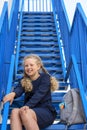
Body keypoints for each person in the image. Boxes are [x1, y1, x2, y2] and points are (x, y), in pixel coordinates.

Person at [3, 54, 58, 130]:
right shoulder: (24, 79)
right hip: (28, 112)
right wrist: (13, 94)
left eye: (31, 65)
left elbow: (39, 94)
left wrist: (28, 105)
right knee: (14, 111)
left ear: (38, 66)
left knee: (25, 112)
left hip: (45, 112)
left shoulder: (45, 78)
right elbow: (19, 89)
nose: (29, 67)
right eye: (26, 66)